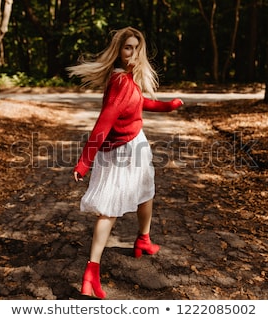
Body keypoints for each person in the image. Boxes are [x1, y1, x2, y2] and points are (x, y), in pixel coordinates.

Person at [67, 26, 183, 299]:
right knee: (109, 208)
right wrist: (84, 162)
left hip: (134, 144)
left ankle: (143, 239)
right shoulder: (120, 83)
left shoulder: (125, 78)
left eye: (136, 48)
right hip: (123, 151)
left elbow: (137, 102)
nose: (132, 53)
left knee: (146, 191)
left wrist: (167, 106)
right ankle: (91, 271)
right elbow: (102, 124)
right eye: (127, 47)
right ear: (118, 51)